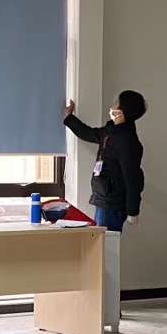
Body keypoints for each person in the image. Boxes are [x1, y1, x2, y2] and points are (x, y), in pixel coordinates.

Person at [63, 91, 147, 232]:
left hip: (112, 203)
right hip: (103, 198)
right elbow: (89, 133)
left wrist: (133, 211)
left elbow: (132, 177)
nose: (112, 106)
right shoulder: (111, 131)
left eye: (116, 103)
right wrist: (69, 117)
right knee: (101, 242)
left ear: (122, 112)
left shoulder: (127, 141)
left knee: (105, 243)